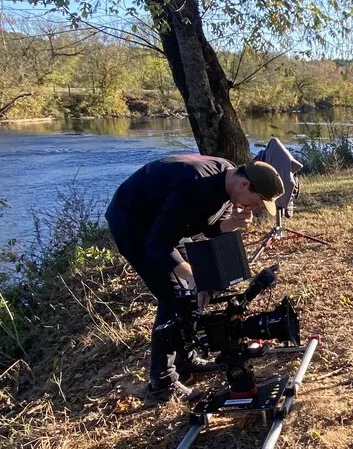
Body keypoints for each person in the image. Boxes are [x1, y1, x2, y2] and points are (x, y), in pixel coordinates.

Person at [105, 154, 285, 401]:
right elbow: (158, 245)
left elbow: (208, 226)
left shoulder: (227, 177)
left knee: (194, 290)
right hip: (134, 223)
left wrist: (232, 222)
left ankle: (186, 361)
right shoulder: (195, 187)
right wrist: (194, 277)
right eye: (257, 201)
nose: (255, 208)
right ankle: (162, 384)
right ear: (245, 185)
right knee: (172, 295)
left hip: (165, 222)